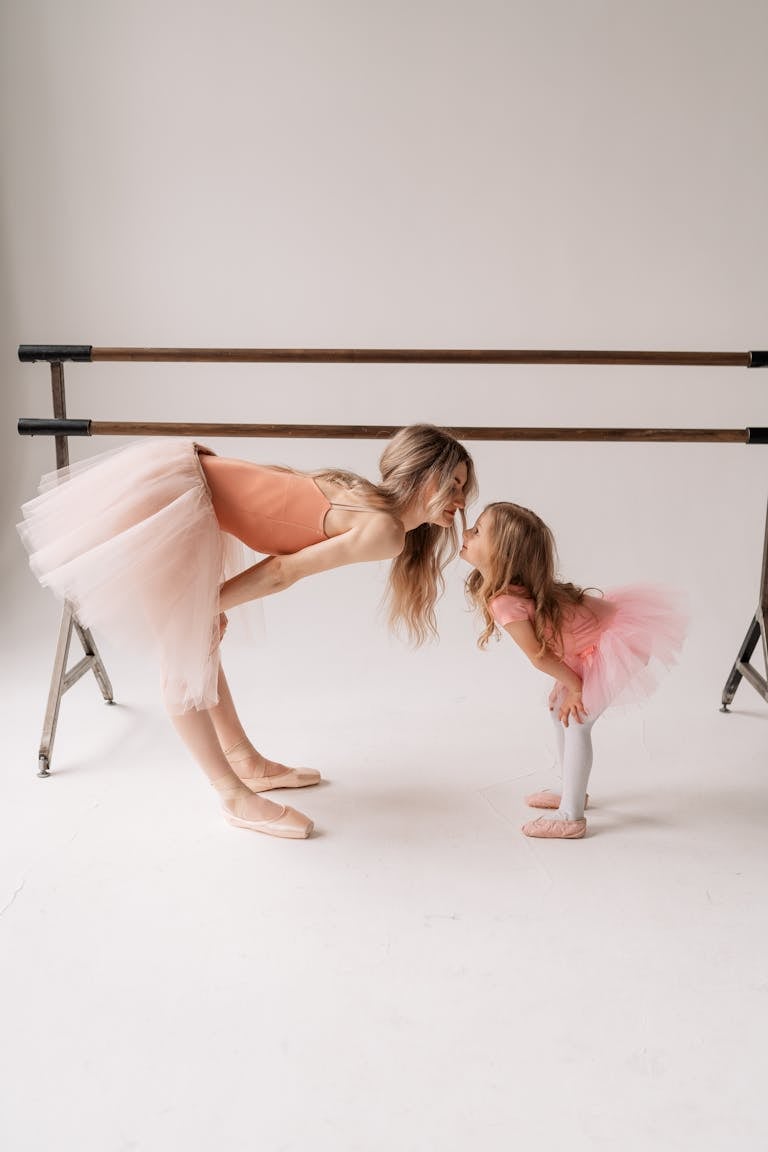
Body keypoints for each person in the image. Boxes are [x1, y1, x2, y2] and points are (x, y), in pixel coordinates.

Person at [19, 425, 476, 840]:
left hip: (184, 484)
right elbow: (282, 571)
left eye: (463, 487)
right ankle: (233, 795)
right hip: (176, 498)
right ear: (423, 475)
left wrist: (211, 602)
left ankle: (245, 761)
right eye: (452, 483)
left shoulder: (365, 495)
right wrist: (207, 604)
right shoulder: (384, 529)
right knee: (185, 653)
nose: (460, 500)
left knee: (201, 646)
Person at [461, 502, 686, 839]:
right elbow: (561, 639)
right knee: (558, 711)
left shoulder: (505, 601)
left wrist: (576, 687)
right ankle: (572, 790)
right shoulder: (511, 592)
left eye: (477, 531)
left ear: (502, 556)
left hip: (621, 642)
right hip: (596, 644)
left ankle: (571, 816)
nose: (466, 533)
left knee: (577, 720)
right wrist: (564, 680)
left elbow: (538, 655)